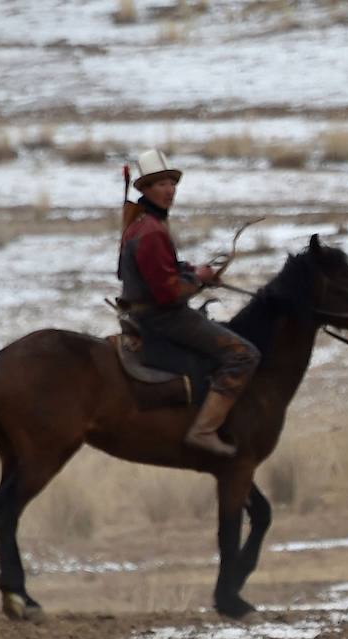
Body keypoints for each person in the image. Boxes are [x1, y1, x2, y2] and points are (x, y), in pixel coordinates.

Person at [117, 149, 261, 457]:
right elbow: (168, 293)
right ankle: (204, 430)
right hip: (162, 318)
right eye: (161, 184)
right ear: (144, 189)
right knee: (244, 354)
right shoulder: (152, 231)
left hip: (146, 314)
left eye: (172, 183)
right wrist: (200, 279)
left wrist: (192, 271)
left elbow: (160, 271)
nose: (169, 190)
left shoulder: (141, 223)